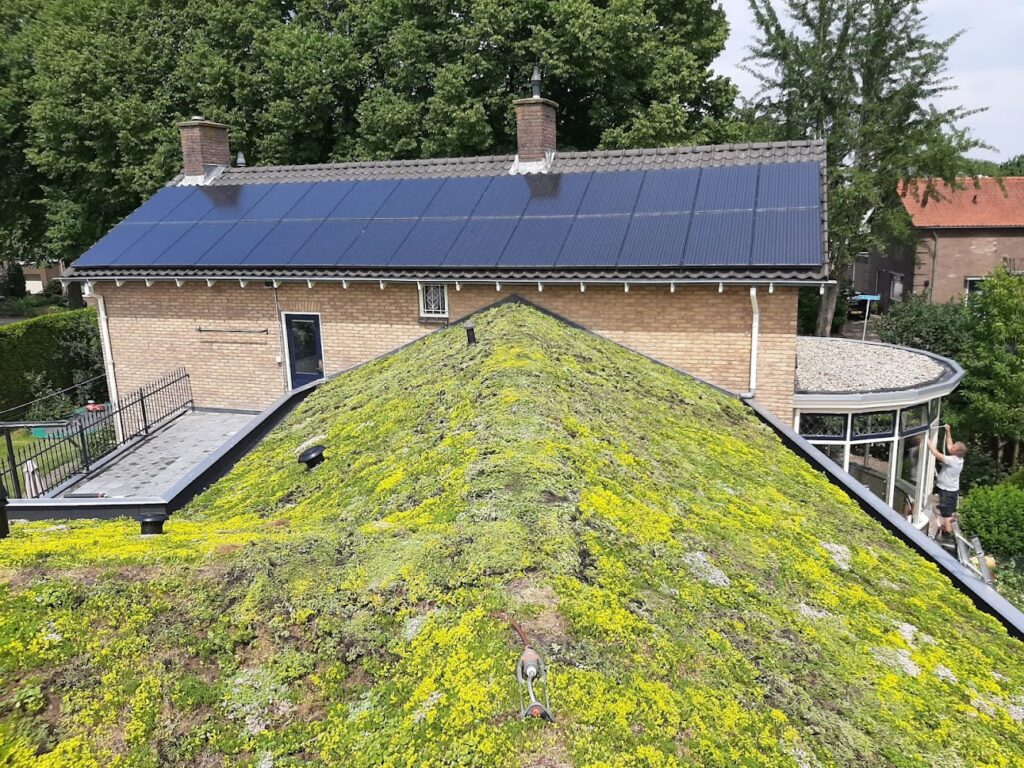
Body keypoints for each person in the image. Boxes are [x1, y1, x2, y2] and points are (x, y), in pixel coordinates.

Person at [927, 424, 967, 539]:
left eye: (954, 446)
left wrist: (926, 439)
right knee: (938, 507)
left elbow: (935, 454)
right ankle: (936, 523)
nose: (952, 446)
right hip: (945, 489)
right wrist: (948, 431)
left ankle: (947, 537)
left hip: (947, 492)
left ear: (956, 450)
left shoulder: (953, 460)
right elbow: (949, 446)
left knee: (947, 517)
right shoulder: (958, 458)